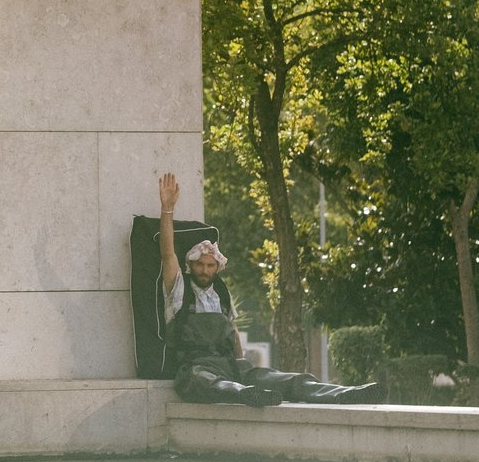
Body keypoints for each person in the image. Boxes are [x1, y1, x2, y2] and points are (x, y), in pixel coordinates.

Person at [156, 173, 383, 406]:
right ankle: (245, 394)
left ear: (217, 268)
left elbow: (232, 333)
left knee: (283, 379)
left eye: (210, 266)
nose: (204, 270)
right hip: (197, 366)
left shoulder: (221, 294)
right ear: (191, 265)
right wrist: (167, 209)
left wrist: (240, 363)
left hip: (232, 366)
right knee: (205, 381)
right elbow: (167, 253)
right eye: (200, 265)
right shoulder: (179, 288)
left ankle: (343, 394)